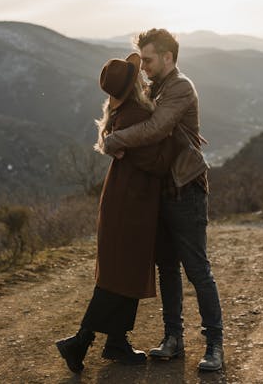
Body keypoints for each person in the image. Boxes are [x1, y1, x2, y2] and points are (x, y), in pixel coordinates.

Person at [101, 28, 224, 371]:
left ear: (169, 57)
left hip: (185, 189)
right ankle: (173, 339)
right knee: (167, 269)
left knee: (198, 270)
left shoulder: (181, 86)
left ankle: (215, 344)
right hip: (159, 192)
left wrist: (115, 141)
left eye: (150, 60)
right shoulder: (154, 86)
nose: (145, 68)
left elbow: (155, 128)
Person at [55, 53, 180, 374]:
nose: (143, 77)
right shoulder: (137, 112)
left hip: (124, 200)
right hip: (131, 203)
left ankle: (116, 341)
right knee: (119, 275)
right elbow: (157, 162)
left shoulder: (119, 110)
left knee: (123, 271)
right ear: (134, 84)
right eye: (138, 75)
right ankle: (79, 342)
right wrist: (172, 135)